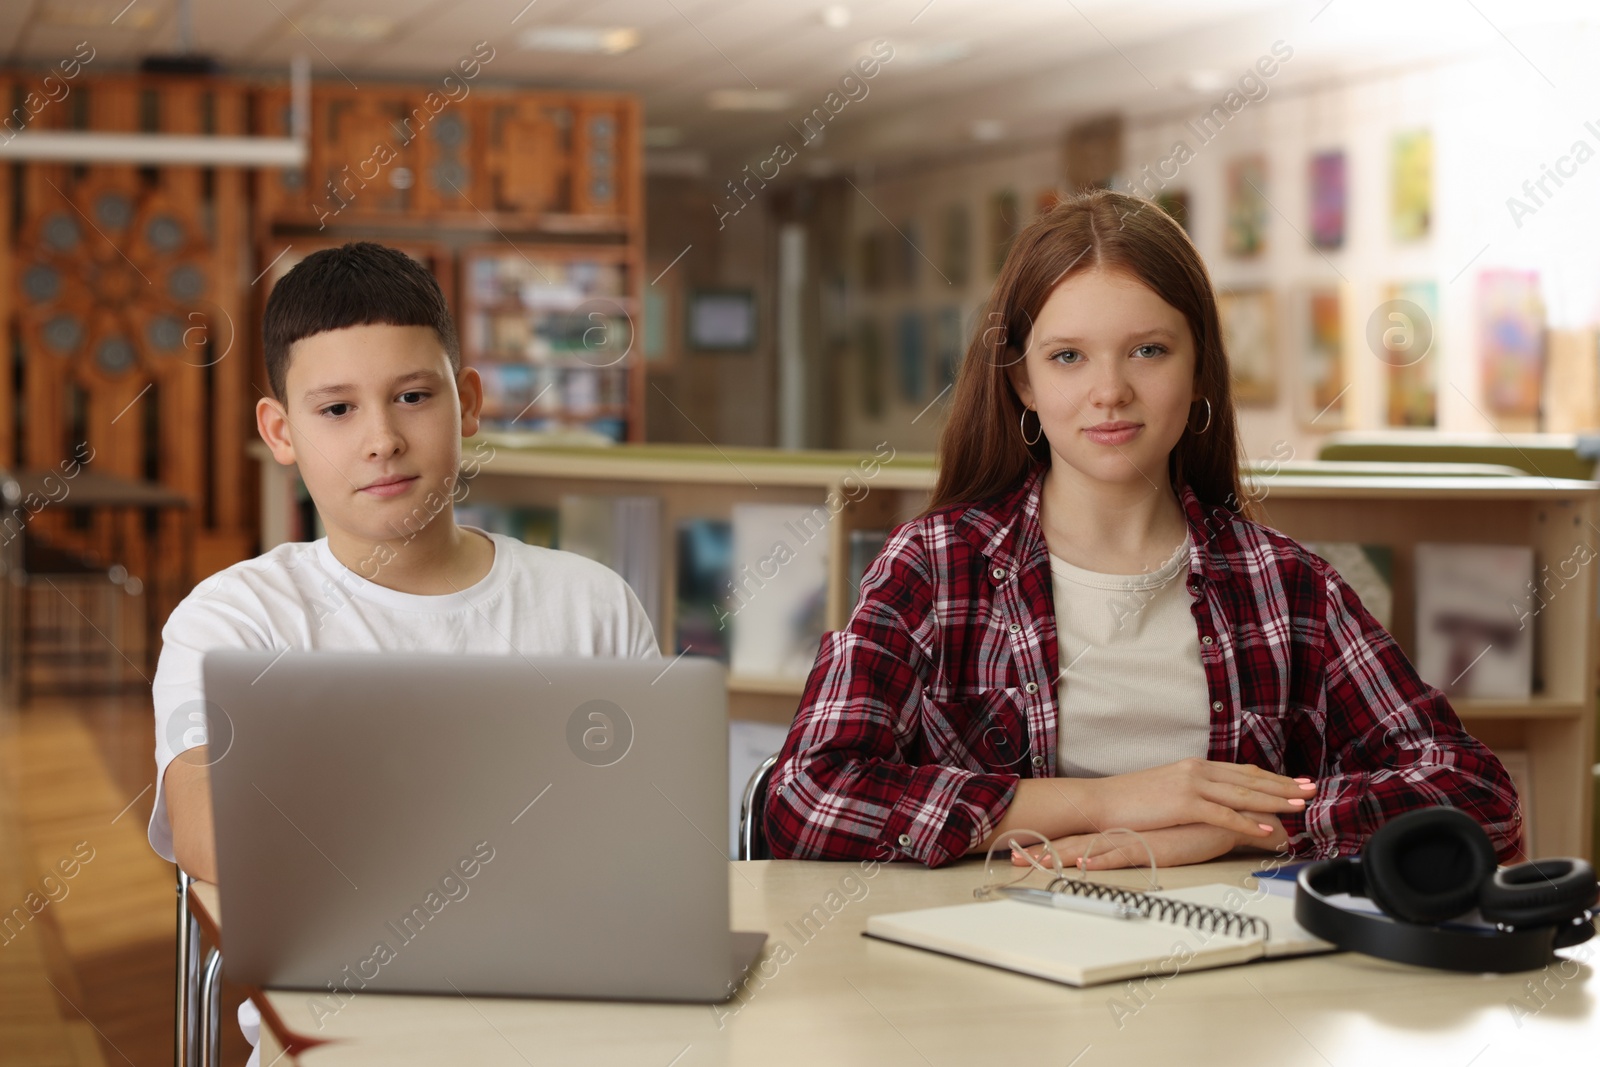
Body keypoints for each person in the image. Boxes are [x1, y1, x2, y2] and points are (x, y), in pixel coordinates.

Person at [764, 188, 1520, 872]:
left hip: (1225, 981)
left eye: (1149, 350)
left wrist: (1239, 825)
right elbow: (807, 796)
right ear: (1023, 381)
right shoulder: (934, 566)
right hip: (992, 970)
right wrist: (1113, 802)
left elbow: (1479, 795)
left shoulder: (1287, 586)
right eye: (1068, 357)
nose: (1110, 392)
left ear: (1199, 373)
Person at [151, 241, 659, 883]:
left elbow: (652, 836)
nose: (382, 440)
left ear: (467, 402)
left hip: (565, 972)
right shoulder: (232, 622)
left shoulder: (593, 605)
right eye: (337, 410)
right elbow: (213, 838)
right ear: (281, 432)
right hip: (324, 977)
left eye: (413, 397)